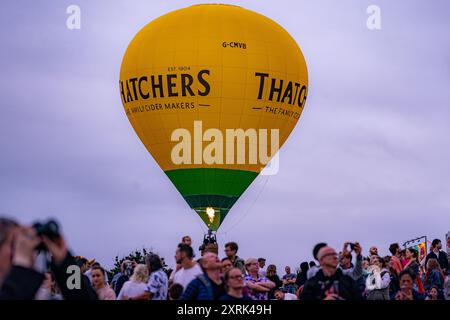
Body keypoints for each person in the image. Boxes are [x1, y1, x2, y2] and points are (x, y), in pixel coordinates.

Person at [0, 217, 97, 300]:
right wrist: (21, 268)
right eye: (15, 244)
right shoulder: (20, 286)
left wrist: (64, 263)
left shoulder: (30, 287)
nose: (23, 249)